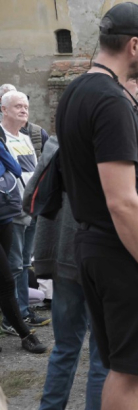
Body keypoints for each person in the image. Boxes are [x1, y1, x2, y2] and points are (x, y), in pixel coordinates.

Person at [55, 3, 138, 410]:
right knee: (132, 375)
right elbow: (123, 201)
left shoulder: (76, 91)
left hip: (96, 245)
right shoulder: (109, 99)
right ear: (133, 45)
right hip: (121, 250)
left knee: (121, 369)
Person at [25, 78, 138, 410]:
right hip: (93, 258)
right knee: (101, 355)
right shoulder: (105, 143)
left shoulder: (57, 143)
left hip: (61, 258)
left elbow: (31, 196)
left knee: (65, 347)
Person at [0, 90, 51, 337]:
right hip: (13, 208)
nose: (24, 110)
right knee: (14, 265)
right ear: (4, 110)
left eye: (26, 107)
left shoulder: (26, 136)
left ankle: (24, 311)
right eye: (18, 106)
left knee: (24, 262)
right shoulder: (2, 137)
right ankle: (14, 315)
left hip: (32, 206)